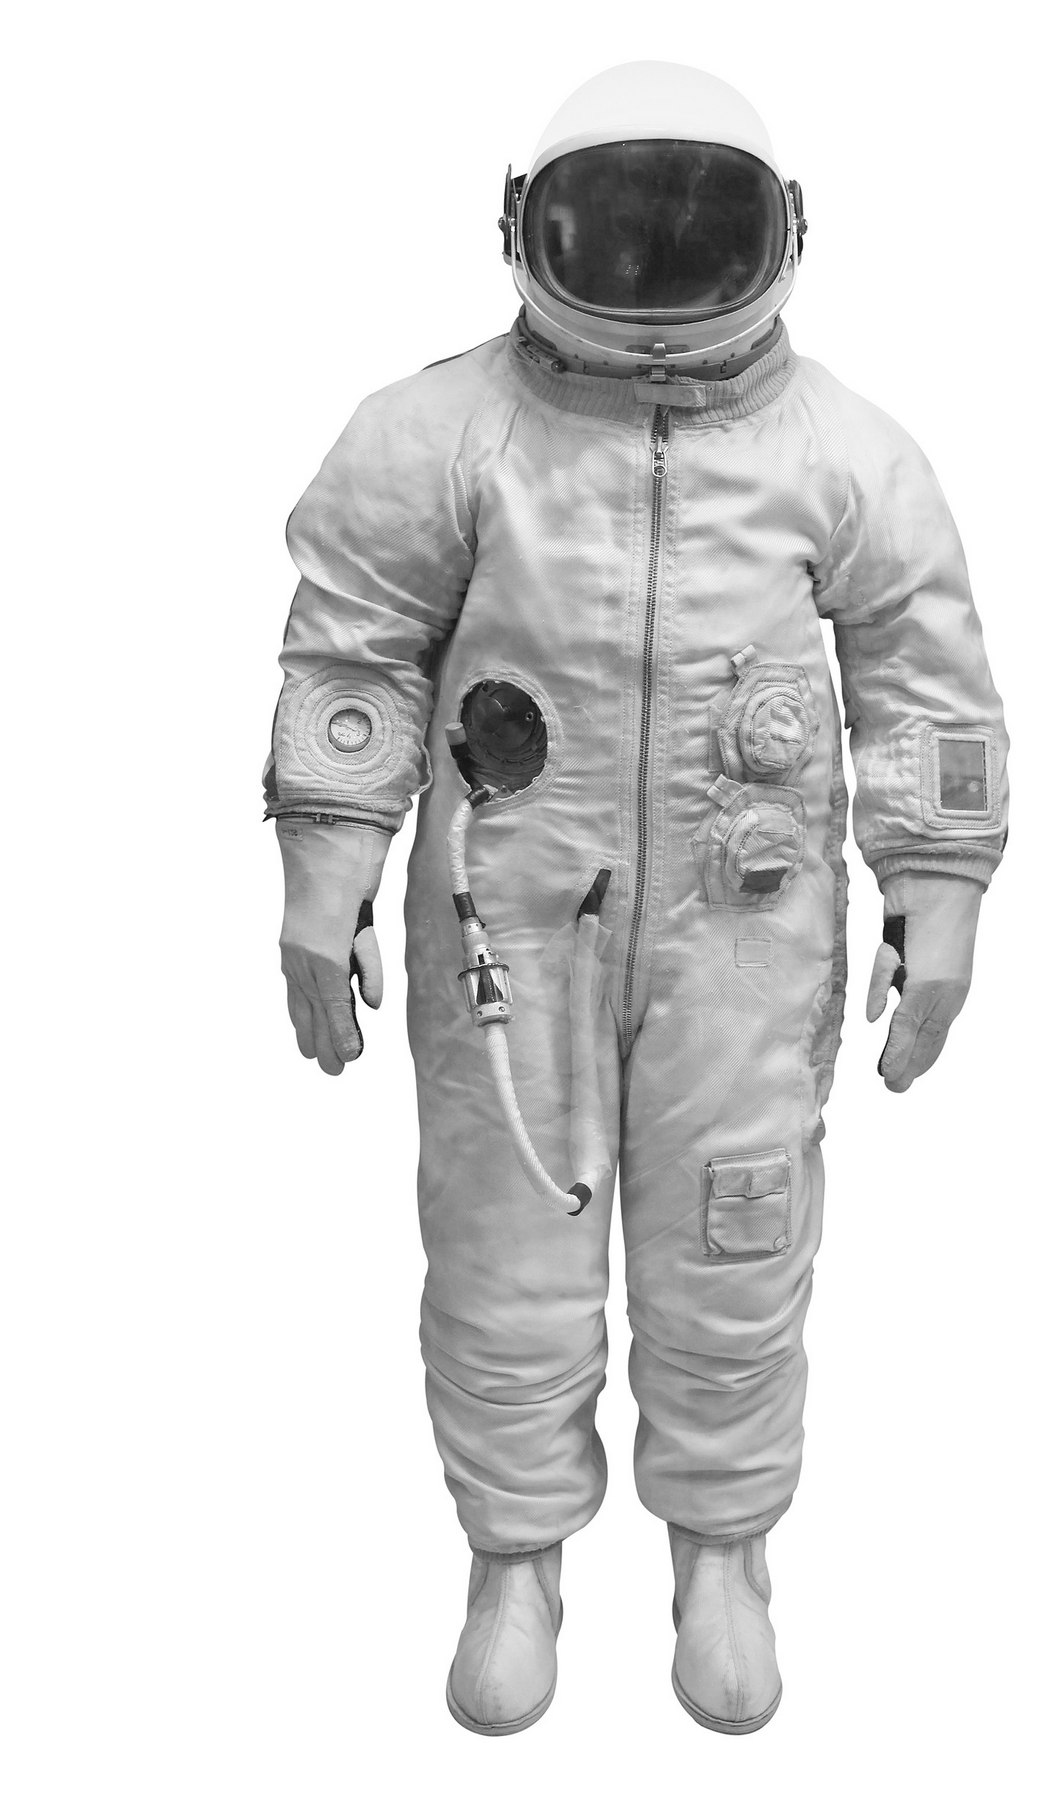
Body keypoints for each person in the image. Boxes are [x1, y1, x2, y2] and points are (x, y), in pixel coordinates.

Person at [265, 60, 1009, 1736]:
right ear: (526, 231)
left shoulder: (840, 453)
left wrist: (940, 879)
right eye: (618, 229)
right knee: (504, 1239)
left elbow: (925, 678)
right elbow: (353, 649)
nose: (660, 265)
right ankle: (514, 1555)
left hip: (747, 934)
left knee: (739, 1227)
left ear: (781, 235)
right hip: (508, 924)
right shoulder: (443, 437)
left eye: (698, 229)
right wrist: (327, 864)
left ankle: (723, 1548)